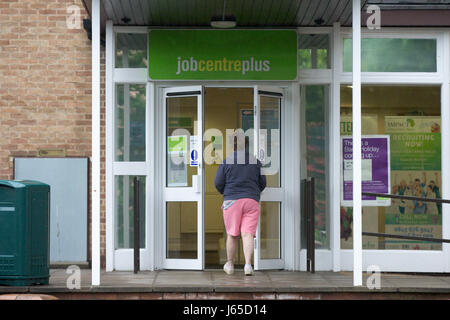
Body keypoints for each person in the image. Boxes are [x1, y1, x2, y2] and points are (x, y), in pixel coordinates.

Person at [214, 135, 266, 276]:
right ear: (247, 145)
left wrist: (228, 194)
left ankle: (230, 264)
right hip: (251, 201)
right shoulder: (256, 162)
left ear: (233, 146)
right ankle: (248, 265)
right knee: (248, 234)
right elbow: (263, 183)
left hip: (232, 201)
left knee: (232, 234)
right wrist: (253, 193)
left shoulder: (226, 162)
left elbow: (218, 183)